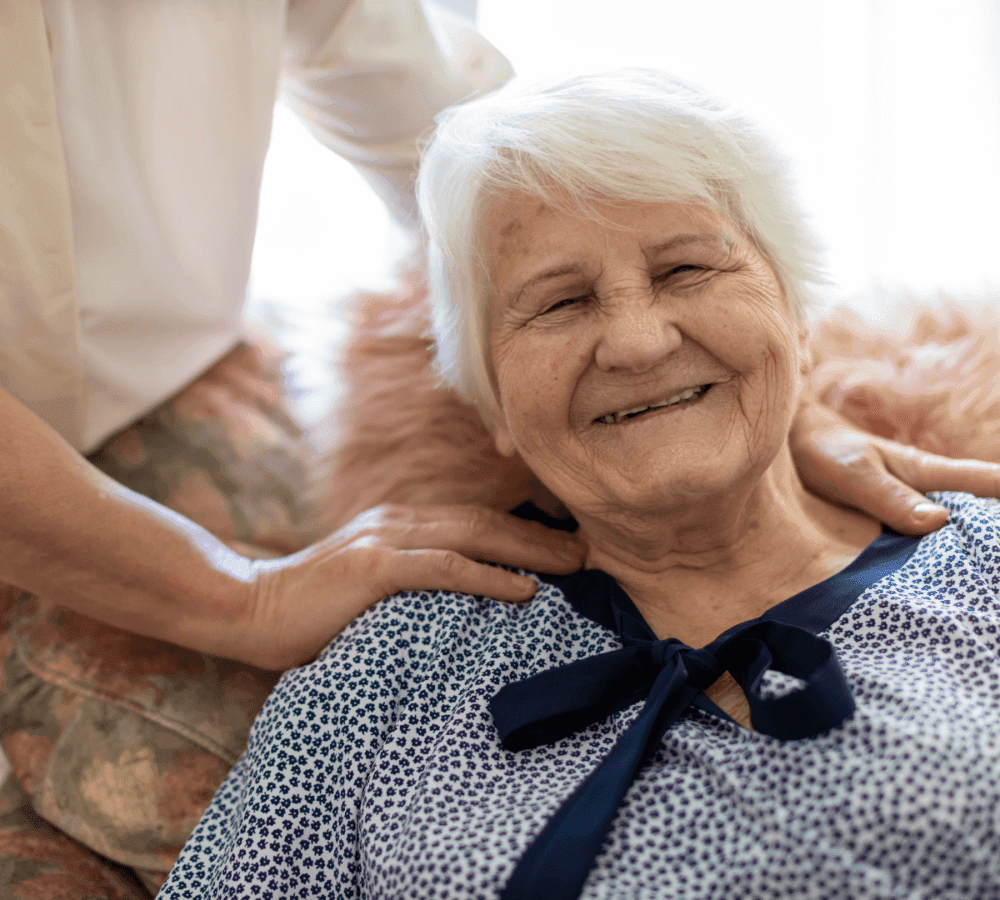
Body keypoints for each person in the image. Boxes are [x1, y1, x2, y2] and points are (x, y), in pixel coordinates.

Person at [159, 69, 1000, 899]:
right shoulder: (385, 672)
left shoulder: (982, 566)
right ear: (491, 403)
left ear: (798, 320)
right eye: (561, 304)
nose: (637, 342)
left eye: (685, 270)